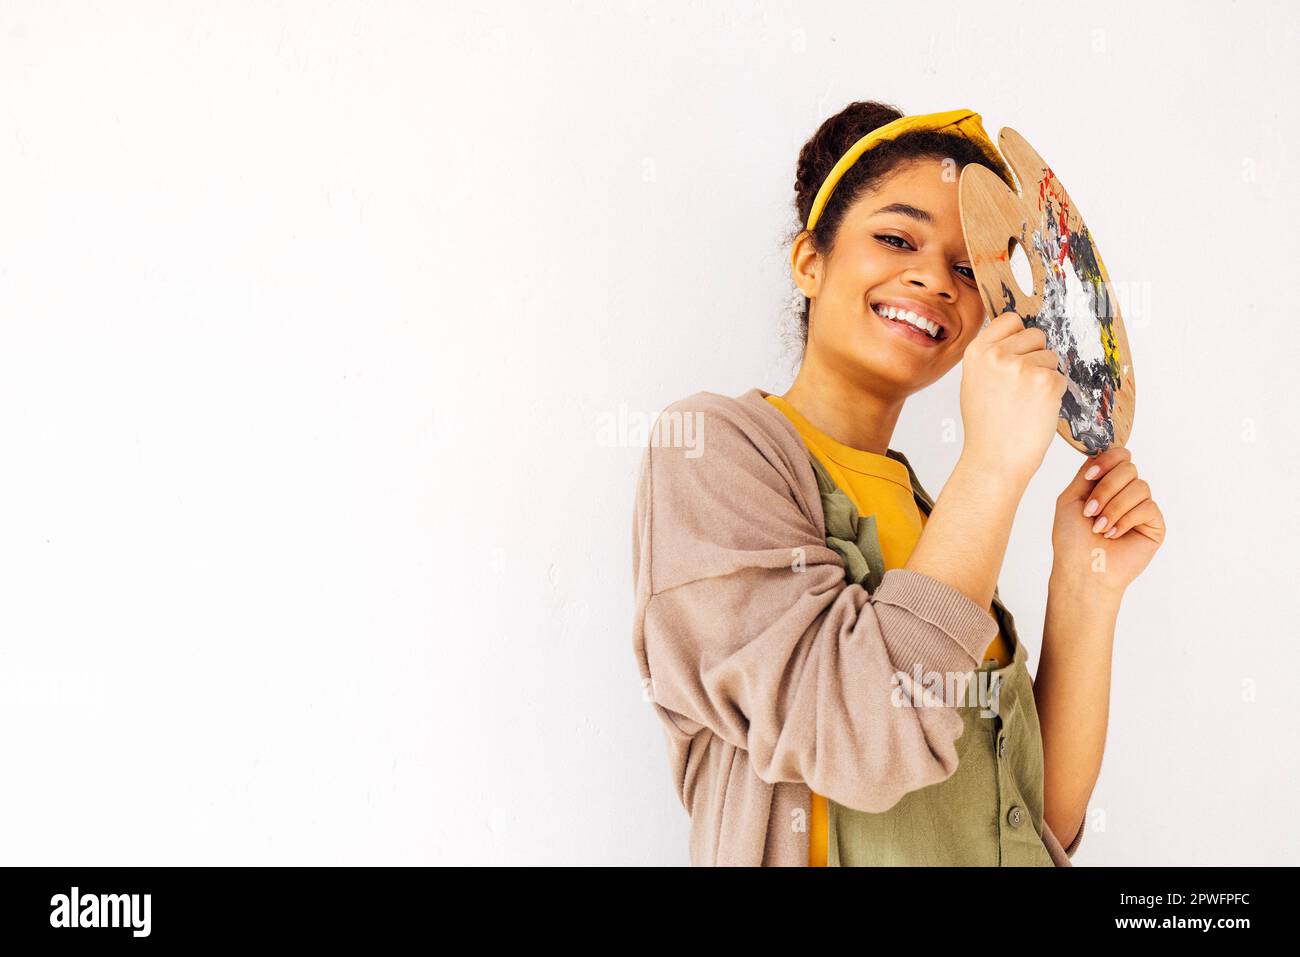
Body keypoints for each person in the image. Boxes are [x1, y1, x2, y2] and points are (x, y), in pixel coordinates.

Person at [630, 102, 1166, 866]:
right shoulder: (712, 453)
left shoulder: (935, 516)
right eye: (895, 237)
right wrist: (991, 464)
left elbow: (1033, 814)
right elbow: (862, 737)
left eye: (965, 265)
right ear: (809, 261)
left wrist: (1087, 588)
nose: (934, 279)